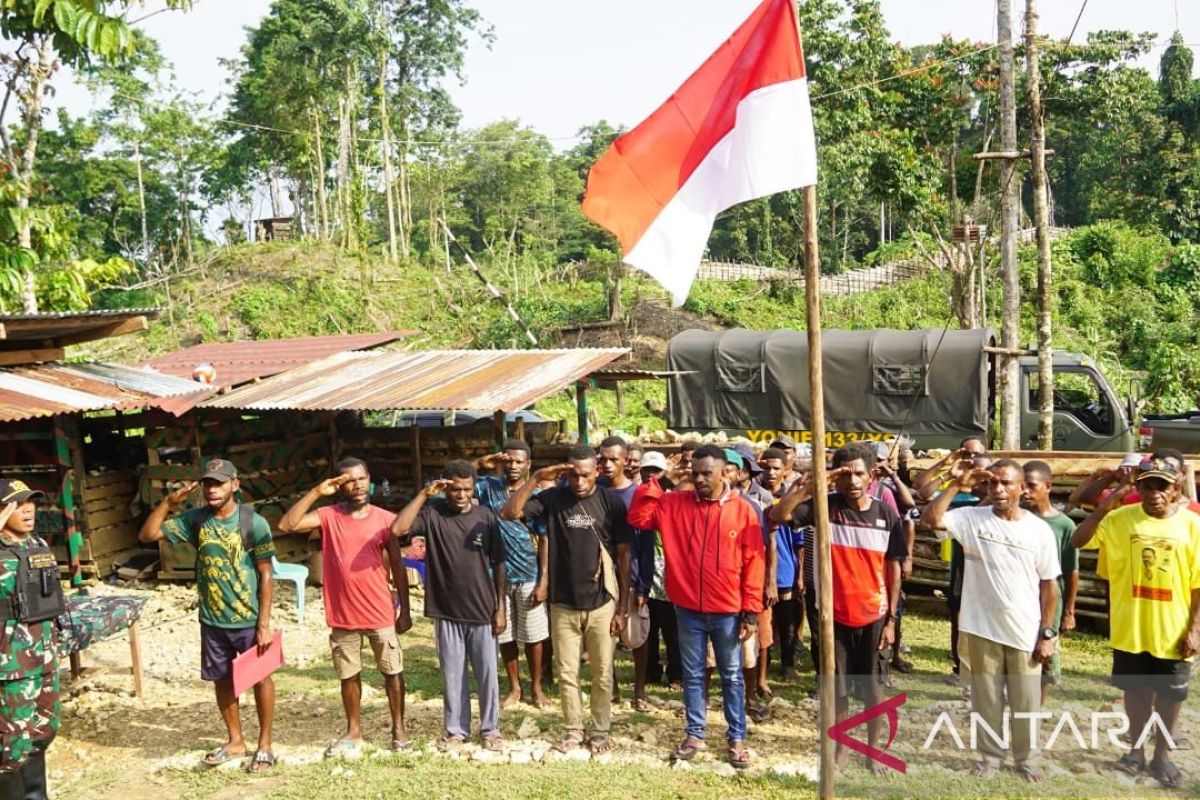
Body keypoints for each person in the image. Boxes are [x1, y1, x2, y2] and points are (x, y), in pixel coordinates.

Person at [921, 458, 1060, 783]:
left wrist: (1047, 633)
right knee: (987, 700)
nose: (998, 489)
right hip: (980, 628)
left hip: (1024, 631)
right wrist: (957, 483)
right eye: (993, 483)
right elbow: (931, 520)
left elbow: (1049, 585)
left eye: (1006, 483)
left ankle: (1027, 759)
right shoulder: (971, 519)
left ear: (1022, 488)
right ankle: (990, 758)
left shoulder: (1038, 530)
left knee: (1025, 701)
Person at [771, 442, 904, 775]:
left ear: (872, 475)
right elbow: (778, 515)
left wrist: (891, 621)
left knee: (873, 692)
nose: (852, 481)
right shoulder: (823, 507)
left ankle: (874, 752)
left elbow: (894, 567)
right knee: (837, 692)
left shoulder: (886, 514)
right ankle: (840, 751)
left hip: (873, 615)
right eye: (844, 474)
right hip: (832, 618)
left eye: (858, 473)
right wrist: (811, 486)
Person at [629, 445, 765, 770]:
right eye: (695, 472)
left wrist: (751, 610)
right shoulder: (674, 502)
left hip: (728, 610)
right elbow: (638, 516)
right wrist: (663, 481)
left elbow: (754, 562)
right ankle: (694, 734)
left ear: (723, 473)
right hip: (687, 608)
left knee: (731, 676)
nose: (700, 479)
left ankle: (736, 738)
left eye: (707, 473)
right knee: (692, 675)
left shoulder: (743, 510)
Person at [138, 459, 277, 772]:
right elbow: (147, 535)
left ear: (235, 485)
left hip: (248, 619)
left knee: (260, 679)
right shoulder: (194, 520)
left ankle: (265, 744)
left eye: (219, 482)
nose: (212, 489)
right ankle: (236, 740)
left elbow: (266, 574)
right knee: (222, 680)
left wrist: (264, 624)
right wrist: (169, 503)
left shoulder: (253, 522)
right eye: (208, 483)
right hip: (212, 620)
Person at [1071, 456, 1200, 789]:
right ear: (1138, 487)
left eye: (1162, 486)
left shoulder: (1192, 525)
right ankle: (1135, 751)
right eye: (1147, 485)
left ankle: (1162, 757)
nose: (1154, 493)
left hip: (1173, 630)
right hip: (1130, 627)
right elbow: (1078, 541)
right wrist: (1106, 505)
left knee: (1171, 696)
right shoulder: (1120, 520)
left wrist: (1195, 628)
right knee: (1135, 691)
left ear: (1175, 490)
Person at [502, 445, 631, 756]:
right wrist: (535, 479)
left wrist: (623, 607)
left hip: (602, 603)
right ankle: (573, 729)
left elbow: (624, 555)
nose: (579, 482)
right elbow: (509, 513)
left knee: (601, 672)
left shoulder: (611, 503)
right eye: (573, 475)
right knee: (567, 672)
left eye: (586, 475)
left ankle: (600, 729)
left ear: (597, 471)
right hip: (562, 604)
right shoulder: (551, 499)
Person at [277, 457, 411, 755]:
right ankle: (354, 730)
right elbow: (288, 524)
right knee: (348, 675)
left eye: (362, 478)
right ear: (338, 486)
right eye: (349, 480)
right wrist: (315, 493)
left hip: (380, 610)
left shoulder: (386, 520)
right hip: (343, 613)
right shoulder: (328, 516)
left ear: (369, 479)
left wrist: (406, 609)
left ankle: (399, 729)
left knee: (392, 671)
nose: (358, 484)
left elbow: (399, 568)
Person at [393, 461, 507, 751]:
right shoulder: (433, 515)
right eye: (455, 489)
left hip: (483, 610)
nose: (461, 495)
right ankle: (456, 730)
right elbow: (399, 528)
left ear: (473, 487)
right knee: (452, 675)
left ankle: (490, 729)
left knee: (487, 676)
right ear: (445, 488)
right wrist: (423, 495)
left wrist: (500, 607)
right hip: (446, 610)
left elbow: (499, 563)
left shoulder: (486, 517)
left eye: (467, 489)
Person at [473, 440, 549, 709]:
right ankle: (514, 687)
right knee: (504, 634)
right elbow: (453, 482)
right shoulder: (487, 487)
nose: (514, 466)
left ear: (529, 464)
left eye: (519, 462)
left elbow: (544, 537)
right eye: (509, 461)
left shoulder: (536, 494)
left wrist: (544, 578)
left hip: (529, 573)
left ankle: (536, 687)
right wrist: (480, 464)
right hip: (495, 575)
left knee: (533, 635)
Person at [0, 481, 62, 800]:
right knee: (11, 745)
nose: (27, 509)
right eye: (16, 504)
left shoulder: (37, 544)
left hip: (44, 657)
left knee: (42, 731)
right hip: (11, 666)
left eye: (31, 502)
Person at [722, 447, 776, 724]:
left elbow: (764, 550)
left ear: (739, 473)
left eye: (729, 469)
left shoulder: (752, 506)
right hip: (716, 591)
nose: (723, 474)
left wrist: (766, 583)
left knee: (748, 651)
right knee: (709, 655)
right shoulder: (698, 505)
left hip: (744, 588)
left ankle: (750, 699)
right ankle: (709, 700)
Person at [1021, 460, 1079, 702]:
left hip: (1049, 600)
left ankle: (1037, 707)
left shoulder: (1063, 525)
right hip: (1022, 596)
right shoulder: (1017, 519)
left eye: (1031, 486)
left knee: (1045, 655)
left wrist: (1069, 611)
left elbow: (1071, 571)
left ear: (1047, 486)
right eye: (1021, 485)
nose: (1024, 491)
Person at [632, 452, 682, 692]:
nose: (651, 475)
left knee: (673, 631)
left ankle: (676, 674)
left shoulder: (674, 498)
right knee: (648, 630)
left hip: (671, 571)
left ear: (665, 472)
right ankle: (651, 673)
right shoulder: (639, 498)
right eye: (646, 470)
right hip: (647, 570)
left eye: (656, 470)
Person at [757, 447, 803, 683]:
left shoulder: (791, 501)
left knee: (787, 621)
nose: (771, 473)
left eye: (776, 468)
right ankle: (761, 666)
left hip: (785, 570)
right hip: (757, 570)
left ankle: (788, 663)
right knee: (761, 622)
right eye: (767, 467)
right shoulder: (753, 495)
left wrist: (800, 575)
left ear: (786, 471)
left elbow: (799, 543)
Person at [872, 441, 916, 676]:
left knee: (893, 607)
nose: (877, 465)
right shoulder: (856, 485)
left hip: (889, 555)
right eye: (874, 461)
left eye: (881, 460)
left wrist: (906, 557)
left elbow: (909, 512)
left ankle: (893, 656)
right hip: (867, 557)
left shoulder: (889, 489)